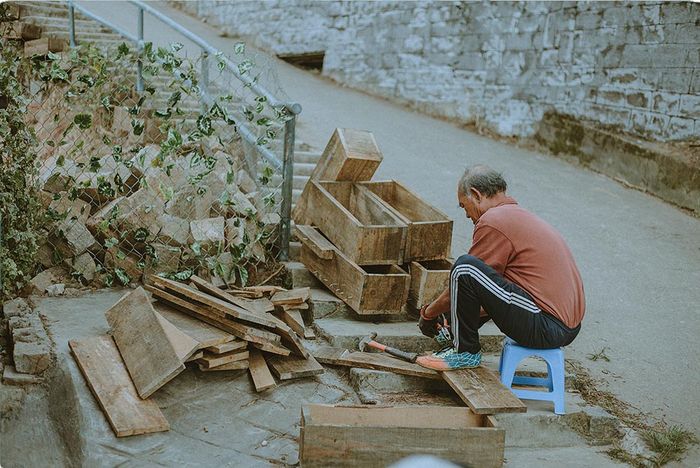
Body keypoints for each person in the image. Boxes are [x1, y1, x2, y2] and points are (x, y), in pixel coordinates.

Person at [416, 165, 585, 371]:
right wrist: (453, 321)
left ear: (476, 195)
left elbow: (465, 281)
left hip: (546, 326)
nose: (467, 215)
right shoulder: (516, 216)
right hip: (565, 328)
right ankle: (457, 341)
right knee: (479, 280)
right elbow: (489, 292)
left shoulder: (493, 221)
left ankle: (465, 353)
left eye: (463, 206)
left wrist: (429, 313)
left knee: (464, 268)